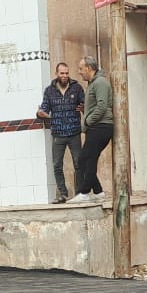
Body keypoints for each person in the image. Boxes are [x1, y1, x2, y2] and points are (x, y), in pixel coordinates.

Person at [36, 62, 86, 203]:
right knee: (57, 165)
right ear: (56, 74)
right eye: (62, 73)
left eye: (67, 73)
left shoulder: (77, 88)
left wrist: (84, 108)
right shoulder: (49, 91)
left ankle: (79, 193)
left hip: (74, 132)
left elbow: (85, 104)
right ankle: (63, 194)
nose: (65, 76)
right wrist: (40, 114)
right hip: (58, 133)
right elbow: (44, 109)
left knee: (78, 164)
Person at [71, 56, 113, 202]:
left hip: (101, 127)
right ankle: (98, 192)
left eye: (81, 68)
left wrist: (88, 120)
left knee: (86, 159)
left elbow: (102, 105)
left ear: (89, 68)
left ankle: (84, 192)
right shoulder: (93, 83)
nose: (79, 72)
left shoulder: (100, 82)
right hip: (95, 127)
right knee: (85, 159)